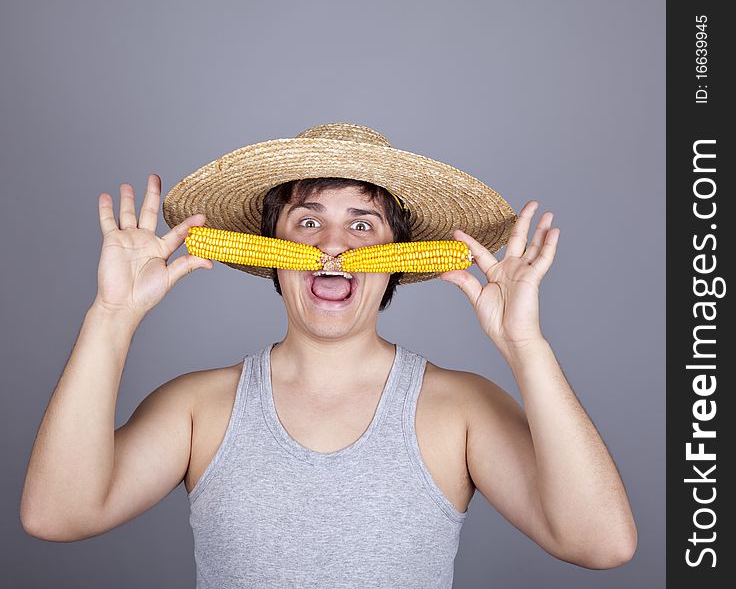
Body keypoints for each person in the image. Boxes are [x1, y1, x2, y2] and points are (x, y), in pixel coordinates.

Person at [20, 123, 637, 588]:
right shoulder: (198, 408)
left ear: (398, 256)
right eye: (307, 222)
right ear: (272, 252)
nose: (334, 247)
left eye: (363, 225)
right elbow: (56, 515)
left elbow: (601, 543)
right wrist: (111, 317)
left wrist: (526, 348)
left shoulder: (461, 408)